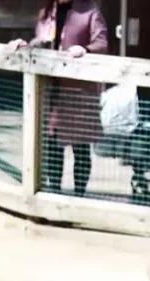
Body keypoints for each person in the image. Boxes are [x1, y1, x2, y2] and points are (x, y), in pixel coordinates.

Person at [9, 0, 109, 196]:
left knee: (80, 148)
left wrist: (86, 49)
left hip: (79, 93)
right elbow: (42, 41)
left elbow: (102, 43)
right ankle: (53, 192)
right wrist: (26, 45)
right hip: (51, 90)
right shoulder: (47, 12)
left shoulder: (90, 11)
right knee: (52, 146)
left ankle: (79, 194)